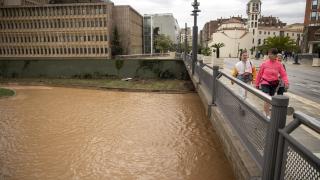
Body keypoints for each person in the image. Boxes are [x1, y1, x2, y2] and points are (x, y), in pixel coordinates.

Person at [255, 48, 289, 118]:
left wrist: (286, 83)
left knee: (270, 98)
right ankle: (266, 114)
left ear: (275, 55)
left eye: (271, 54)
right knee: (267, 97)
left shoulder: (279, 65)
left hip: (274, 84)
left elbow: (284, 74)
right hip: (265, 82)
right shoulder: (264, 64)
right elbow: (259, 74)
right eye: (269, 54)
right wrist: (257, 83)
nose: (269, 55)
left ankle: (266, 111)